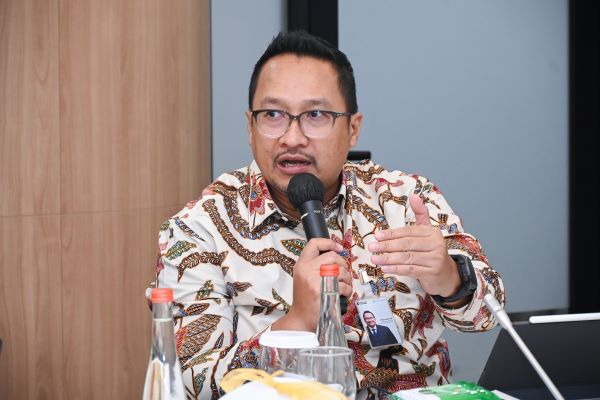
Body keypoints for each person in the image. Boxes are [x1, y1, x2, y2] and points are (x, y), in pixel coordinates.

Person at [153, 30, 505, 399]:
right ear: (250, 127)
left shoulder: (404, 199)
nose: (292, 138)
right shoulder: (198, 229)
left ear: (353, 129)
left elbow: (487, 316)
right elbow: (191, 384)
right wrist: (298, 320)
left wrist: (449, 277)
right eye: (272, 115)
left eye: (316, 115)